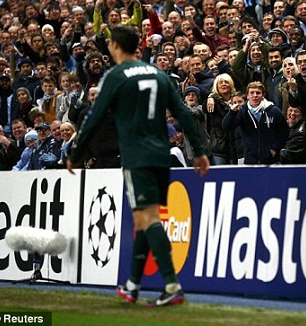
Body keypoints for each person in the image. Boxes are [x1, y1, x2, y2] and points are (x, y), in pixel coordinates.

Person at [67, 26, 210, 307]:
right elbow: (181, 111)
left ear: (118, 46)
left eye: (110, 43)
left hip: (136, 157)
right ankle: (133, 284)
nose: (108, 46)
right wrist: (199, 151)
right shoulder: (158, 74)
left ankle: (172, 286)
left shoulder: (116, 76)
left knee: (149, 219)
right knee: (145, 218)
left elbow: (93, 118)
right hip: (161, 156)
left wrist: (76, 152)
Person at [222, 81, 289, 165]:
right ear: (247, 96)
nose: (255, 95)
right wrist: (232, 112)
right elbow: (226, 127)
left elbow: (284, 131)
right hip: (250, 160)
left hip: (271, 161)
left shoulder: (273, 111)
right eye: (252, 93)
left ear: (263, 95)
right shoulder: (242, 111)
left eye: (258, 93)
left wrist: (275, 148)